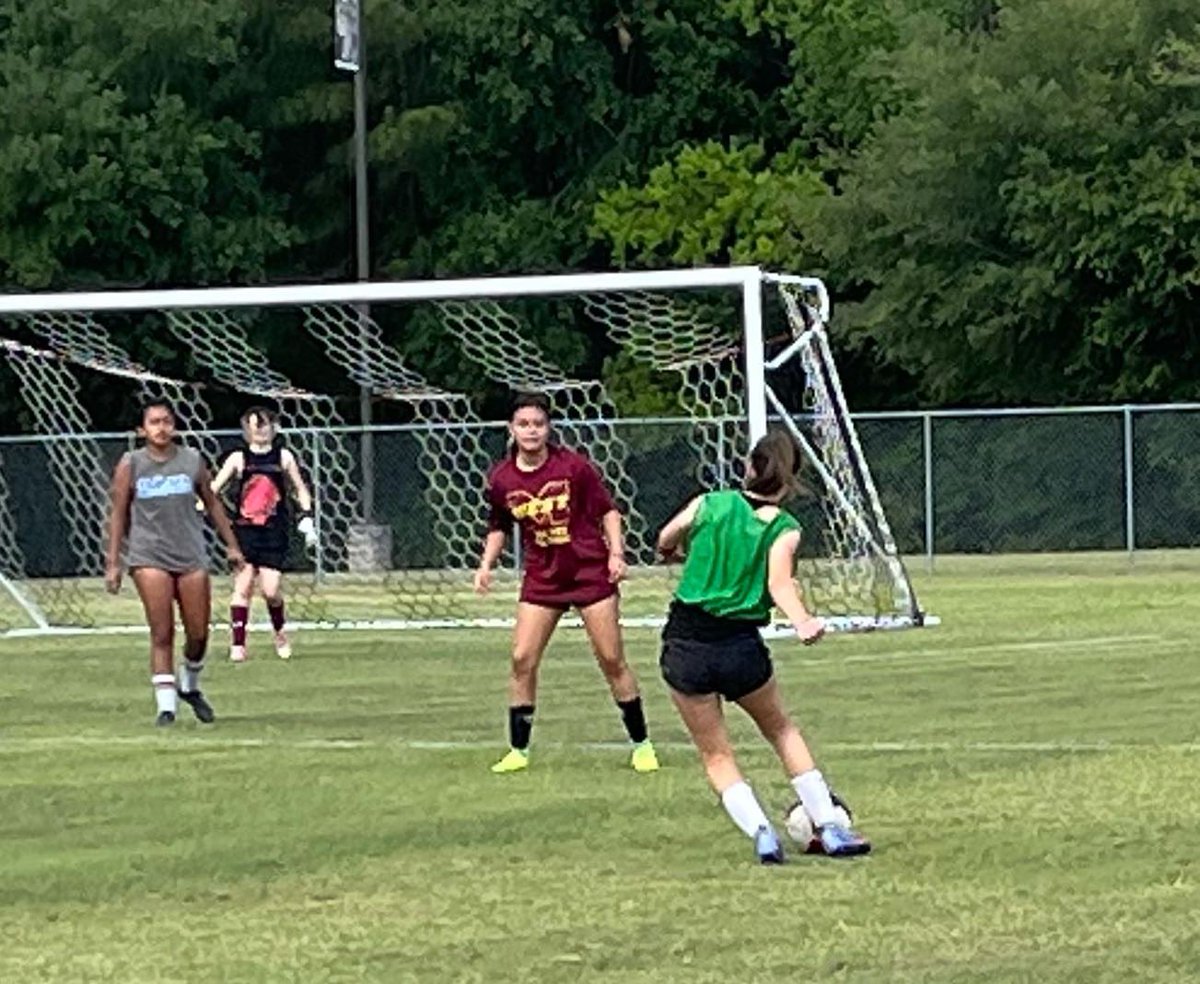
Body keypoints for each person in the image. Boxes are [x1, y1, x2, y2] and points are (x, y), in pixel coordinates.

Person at [656, 429, 871, 863]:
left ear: (749, 467)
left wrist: (676, 552)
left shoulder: (708, 504)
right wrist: (802, 621)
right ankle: (828, 828)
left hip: (685, 642)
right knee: (781, 730)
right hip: (739, 646)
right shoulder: (785, 529)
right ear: (789, 479)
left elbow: (664, 538)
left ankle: (762, 835)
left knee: (716, 753)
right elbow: (778, 584)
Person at [474, 391, 658, 775]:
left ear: (549, 428)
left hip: (589, 574)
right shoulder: (502, 478)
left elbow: (609, 512)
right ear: (511, 429)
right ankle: (518, 751)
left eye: (538, 424)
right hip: (543, 579)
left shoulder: (573, 467)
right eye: (523, 424)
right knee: (522, 659)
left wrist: (616, 554)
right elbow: (499, 525)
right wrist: (486, 564)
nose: (531, 431)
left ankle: (642, 745)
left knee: (611, 659)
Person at [105, 399, 245, 727]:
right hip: (148, 554)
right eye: (154, 422)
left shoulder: (191, 460)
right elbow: (119, 512)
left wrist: (232, 546)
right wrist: (114, 562)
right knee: (162, 630)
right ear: (142, 429)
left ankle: (189, 686)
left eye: (166, 421)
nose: (161, 428)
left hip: (190, 553)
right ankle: (165, 708)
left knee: (198, 633)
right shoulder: (131, 463)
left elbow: (212, 503)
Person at [210, 407, 317, 662]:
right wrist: (202, 502)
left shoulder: (283, 457)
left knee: (271, 591)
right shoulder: (238, 458)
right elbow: (215, 486)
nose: (259, 430)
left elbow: (300, 489)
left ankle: (280, 632)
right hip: (245, 531)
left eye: (264, 424)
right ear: (246, 430)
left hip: (274, 532)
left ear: (274, 427)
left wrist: (307, 513)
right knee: (243, 586)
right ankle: (238, 645)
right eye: (254, 425)